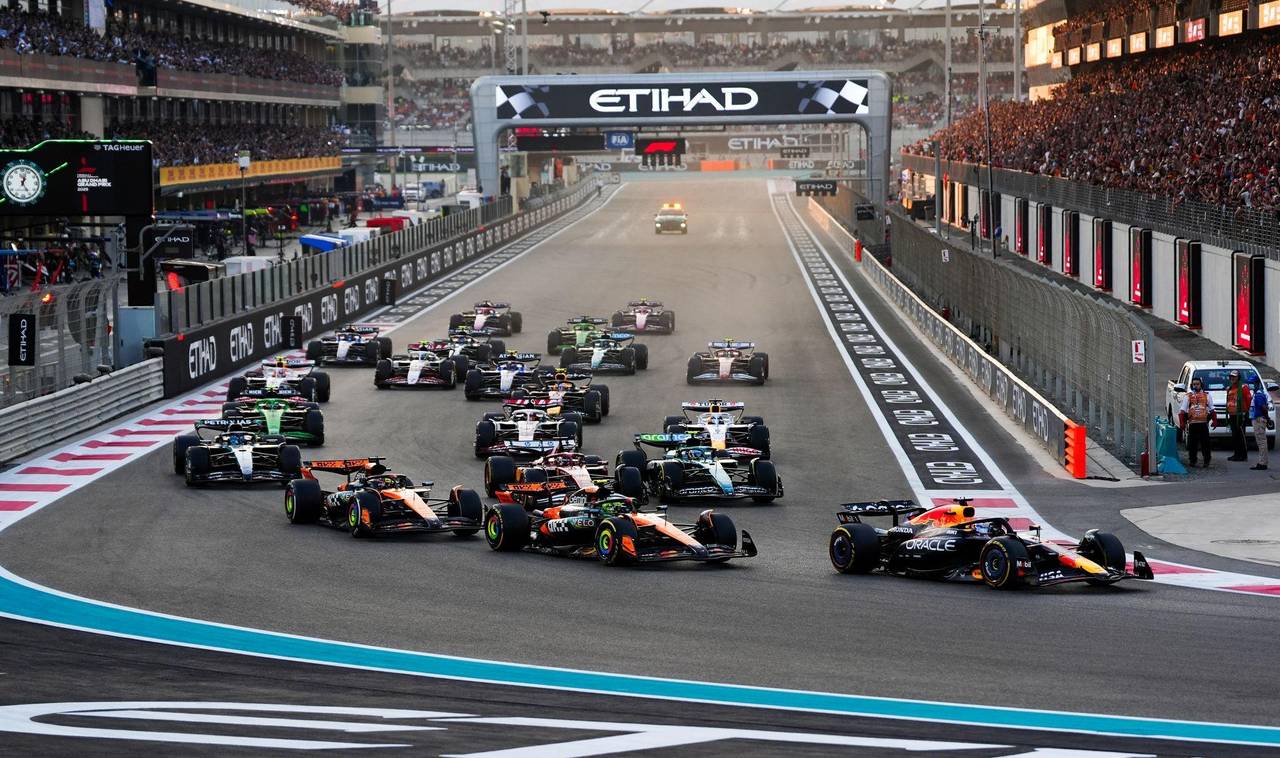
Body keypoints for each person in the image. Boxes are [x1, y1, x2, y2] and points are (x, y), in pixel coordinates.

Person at [1180, 377, 1214, 467]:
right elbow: (1183, 410)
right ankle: (1192, 460)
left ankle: (1207, 460)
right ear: (1192, 385)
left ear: (1201, 385)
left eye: (1197, 384)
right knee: (1192, 444)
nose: (1196, 386)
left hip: (1203, 423)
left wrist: (1215, 420)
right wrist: (1182, 422)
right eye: (1194, 384)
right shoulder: (1188, 396)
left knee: (1205, 443)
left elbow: (1212, 409)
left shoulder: (1207, 395)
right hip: (1192, 423)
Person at [1225, 370, 1253, 461]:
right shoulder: (1230, 388)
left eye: (1234, 377)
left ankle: (1243, 455)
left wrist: (1246, 412)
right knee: (1234, 435)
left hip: (1240, 415)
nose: (1232, 378)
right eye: (1231, 376)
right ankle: (1236, 454)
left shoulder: (1244, 387)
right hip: (1232, 415)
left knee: (1241, 436)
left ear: (1239, 378)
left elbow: (1248, 400)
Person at [1250, 381, 1271, 470]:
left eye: (1253, 384)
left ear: (1257, 384)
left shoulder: (1258, 395)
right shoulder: (1259, 394)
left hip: (1259, 419)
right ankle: (1262, 462)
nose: (1251, 385)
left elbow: (1263, 407)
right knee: (1261, 442)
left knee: (1261, 442)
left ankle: (1262, 463)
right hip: (1259, 418)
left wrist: (1267, 417)